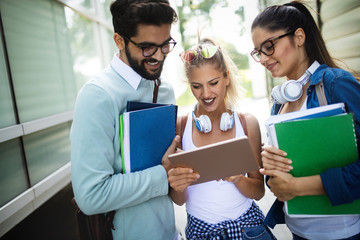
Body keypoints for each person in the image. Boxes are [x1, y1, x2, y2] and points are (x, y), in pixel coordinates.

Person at [70, 1, 181, 239]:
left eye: (165, 44)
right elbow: (90, 196)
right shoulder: (97, 96)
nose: (159, 56)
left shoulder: (164, 89)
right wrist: (164, 175)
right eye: (148, 48)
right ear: (119, 41)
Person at [250, 1, 360, 239]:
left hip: (342, 233)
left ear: (299, 37)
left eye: (269, 46)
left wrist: (296, 187)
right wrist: (270, 166)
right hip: (298, 232)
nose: (262, 58)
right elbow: (280, 180)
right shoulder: (280, 102)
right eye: (258, 51)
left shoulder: (334, 84)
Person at [167, 38, 276, 240]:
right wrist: (178, 185)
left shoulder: (246, 124)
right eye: (197, 86)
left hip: (248, 230)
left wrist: (236, 177)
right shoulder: (180, 127)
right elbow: (179, 200)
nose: (206, 93)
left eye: (213, 83)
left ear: (226, 77)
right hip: (202, 233)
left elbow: (258, 191)